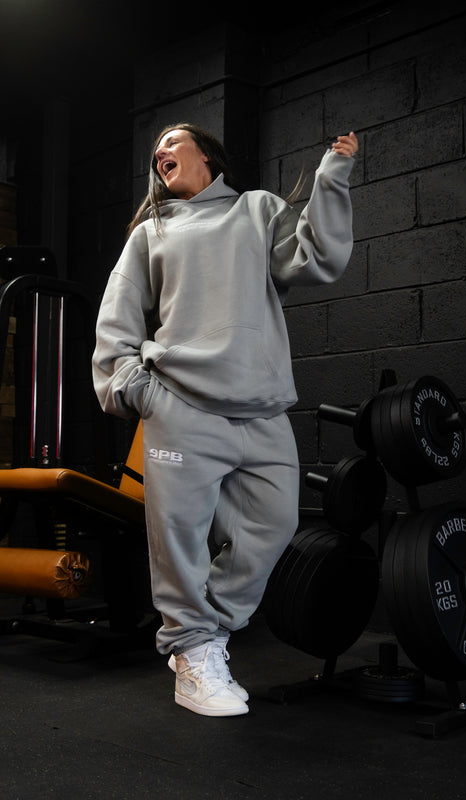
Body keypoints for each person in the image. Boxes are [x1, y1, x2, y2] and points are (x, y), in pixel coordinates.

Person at [92, 122, 359, 717]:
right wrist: (134, 388)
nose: (159, 150)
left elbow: (317, 259)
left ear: (206, 154)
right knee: (180, 540)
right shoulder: (152, 232)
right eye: (154, 147)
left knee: (273, 524)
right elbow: (118, 316)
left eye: (171, 140)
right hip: (181, 406)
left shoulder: (257, 211)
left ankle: (206, 637)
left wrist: (331, 179)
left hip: (260, 410)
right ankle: (191, 655)